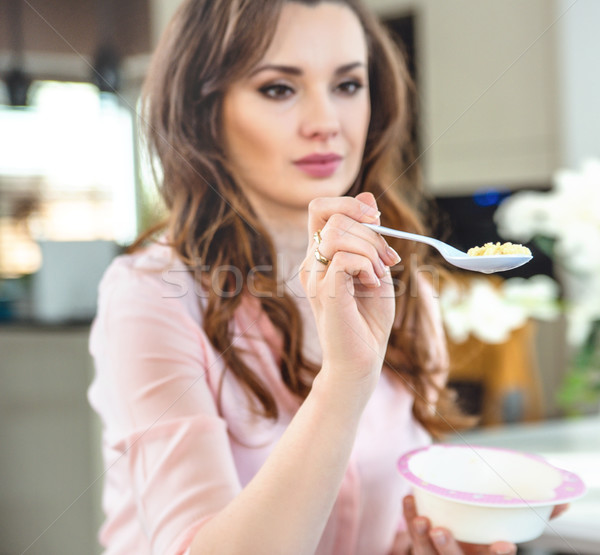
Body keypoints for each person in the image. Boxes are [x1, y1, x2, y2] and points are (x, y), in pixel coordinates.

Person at [88, 1, 567, 554]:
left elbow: (374, 525)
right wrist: (347, 377)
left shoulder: (398, 280)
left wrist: (425, 546)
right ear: (205, 110)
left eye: (347, 85)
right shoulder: (149, 297)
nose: (326, 122)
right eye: (278, 89)